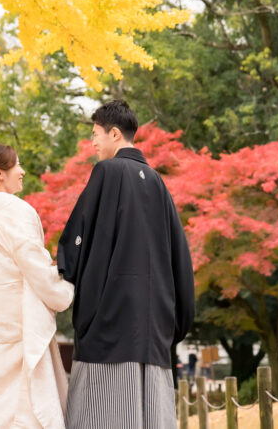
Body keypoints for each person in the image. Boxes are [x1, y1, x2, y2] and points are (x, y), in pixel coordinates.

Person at [57, 100, 196, 429]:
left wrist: (64, 272)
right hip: (154, 327)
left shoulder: (106, 172)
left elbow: (79, 235)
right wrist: (176, 321)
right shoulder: (158, 182)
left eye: (95, 135)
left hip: (110, 320)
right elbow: (180, 256)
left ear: (115, 133)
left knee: (101, 415)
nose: (92, 143)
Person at [0, 144, 75, 429]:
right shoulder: (18, 214)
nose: (22, 172)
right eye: (17, 165)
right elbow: (41, 276)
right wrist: (68, 287)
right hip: (21, 338)